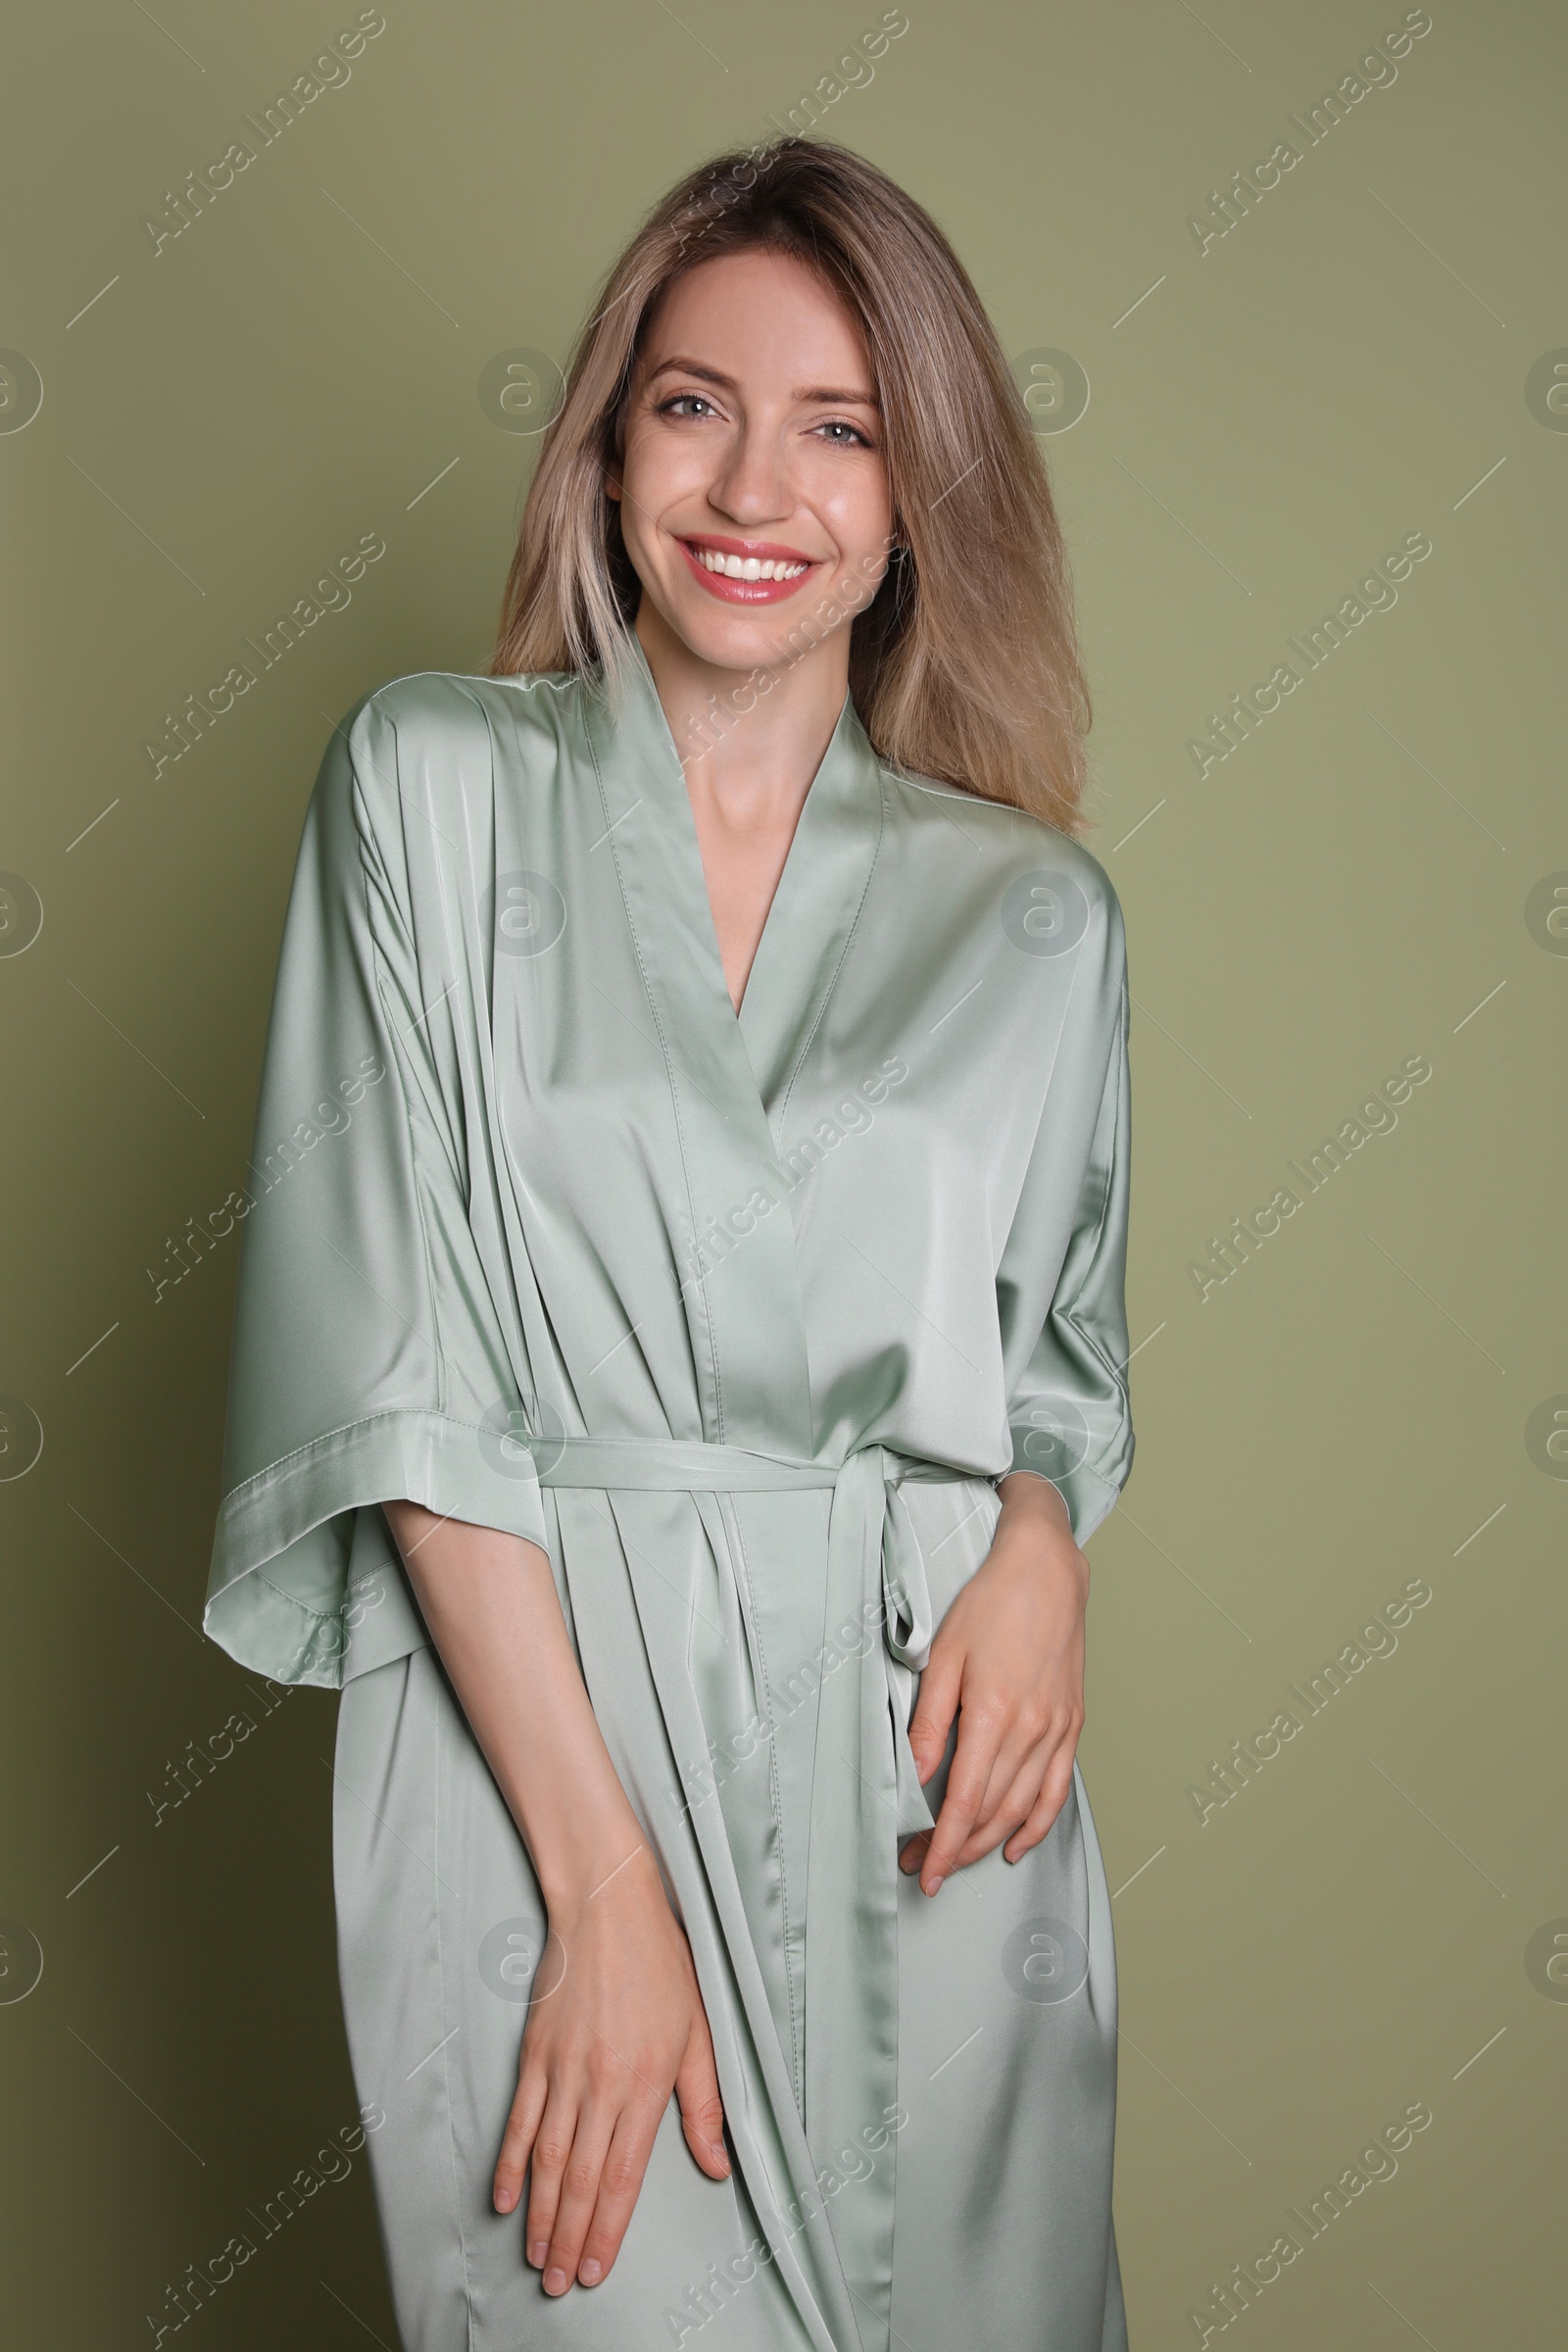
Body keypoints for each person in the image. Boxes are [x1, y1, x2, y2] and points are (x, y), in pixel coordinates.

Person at [205, 136, 1135, 2352]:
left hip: (928, 1809)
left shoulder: (1029, 915)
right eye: (693, 401)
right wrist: (604, 1884)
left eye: (843, 427)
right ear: (609, 437)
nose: (754, 486)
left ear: (921, 499)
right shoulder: (428, 786)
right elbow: (394, 1365)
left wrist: (1034, 1535)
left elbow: (1055, 1364)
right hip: (541, 1761)